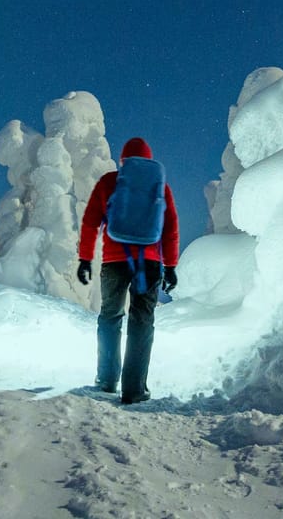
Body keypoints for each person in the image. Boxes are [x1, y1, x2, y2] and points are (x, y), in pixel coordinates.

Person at [77, 136, 179, 404]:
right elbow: (170, 228)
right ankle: (134, 389)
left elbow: (90, 223)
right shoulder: (159, 186)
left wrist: (85, 259)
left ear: (123, 160)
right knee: (141, 322)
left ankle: (107, 379)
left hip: (114, 260)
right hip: (150, 263)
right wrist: (170, 266)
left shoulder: (109, 182)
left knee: (110, 317)